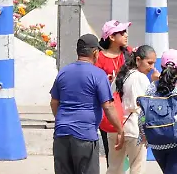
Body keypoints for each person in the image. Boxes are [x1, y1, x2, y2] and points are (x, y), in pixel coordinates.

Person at [50, 34, 124, 174]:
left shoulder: (63, 72)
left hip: (61, 134)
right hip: (84, 135)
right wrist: (119, 129)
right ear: (95, 52)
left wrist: (62, 120)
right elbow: (108, 106)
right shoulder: (98, 74)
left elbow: (54, 102)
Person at [108, 44, 156, 174]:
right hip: (134, 127)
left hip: (116, 126)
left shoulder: (119, 76)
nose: (152, 67)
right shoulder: (141, 78)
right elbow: (149, 105)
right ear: (138, 60)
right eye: (149, 63)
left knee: (114, 167)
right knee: (137, 168)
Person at [94, 20, 132, 164]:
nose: (126, 35)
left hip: (127, 109)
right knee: (112, 151)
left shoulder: (128, 54)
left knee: (128, 151)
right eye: (121, 33)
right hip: (108, 112)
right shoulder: (99, 58)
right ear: (111, 37)